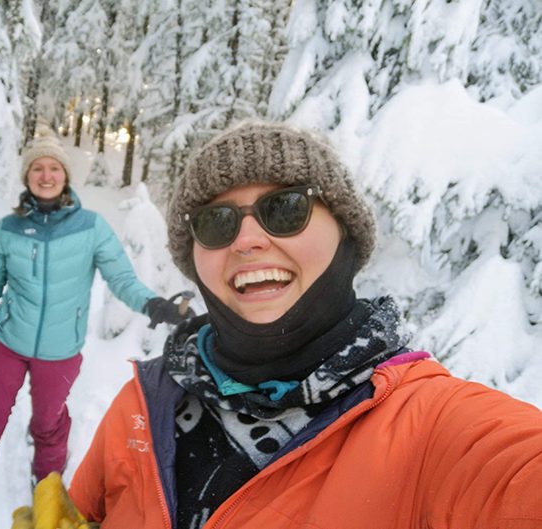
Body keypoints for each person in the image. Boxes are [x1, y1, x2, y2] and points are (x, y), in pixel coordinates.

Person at [66, 122, 542, 529]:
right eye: (216, 222)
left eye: (286, 209)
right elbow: (84, 511)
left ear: (346, 235)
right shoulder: (148, 399)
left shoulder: (432, 427)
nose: (248, 240)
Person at [0, 134, 189, 508]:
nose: (45, 175)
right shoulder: (8, 230)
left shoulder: (91, 227)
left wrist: (156, 306)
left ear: (65, 176)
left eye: (53, 168)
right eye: (37, 168)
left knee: (49, 425)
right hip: (8, 344)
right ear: (27, 176)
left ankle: (46, 486)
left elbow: (123, 280)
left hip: (61, 350)